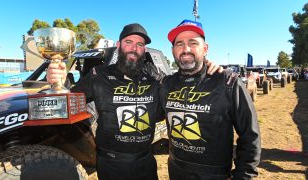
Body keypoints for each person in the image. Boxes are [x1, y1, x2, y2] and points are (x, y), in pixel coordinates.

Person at [46, 23, 222, 180]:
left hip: (145, 163)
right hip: (110, 165)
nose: (134, 48)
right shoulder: (98, 75)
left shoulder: (155, 77)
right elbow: (69, 102)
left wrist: (206, 69)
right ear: (118, 45)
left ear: (144, 50)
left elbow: (182, 83)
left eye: (140, 45)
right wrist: (59, 82)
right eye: (128, 42)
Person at [159, 19, 261, 180]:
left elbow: (250, 135)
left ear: (205, 49)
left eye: (193, 43)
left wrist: (243, 175)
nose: (186, 49)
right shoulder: (166, 84)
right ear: (172, 50)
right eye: (179, 44)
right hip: (176, 170)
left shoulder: (228, 82)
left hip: (214, 175)